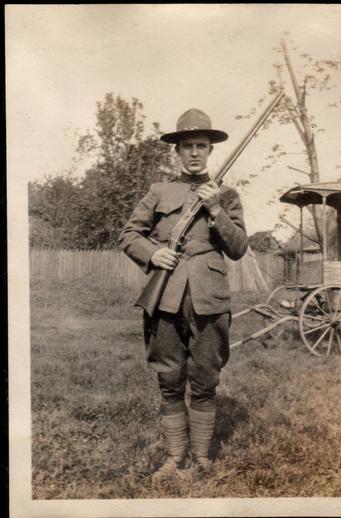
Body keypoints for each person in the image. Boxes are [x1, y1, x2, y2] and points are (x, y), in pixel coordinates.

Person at [119, 108, 248, 480]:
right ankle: (176, 459)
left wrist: (215, 208)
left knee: (205, 379)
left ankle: (201, 458)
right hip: (166, 296)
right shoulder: (159, 191)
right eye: (187, 146)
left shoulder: (227, 195)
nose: (194, 153)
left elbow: (238, 248)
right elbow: (129, 234)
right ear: (177, 151)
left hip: (210, 297)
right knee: (169, 379)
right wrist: (153, 253)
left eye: (201, 146)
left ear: (210, 151)